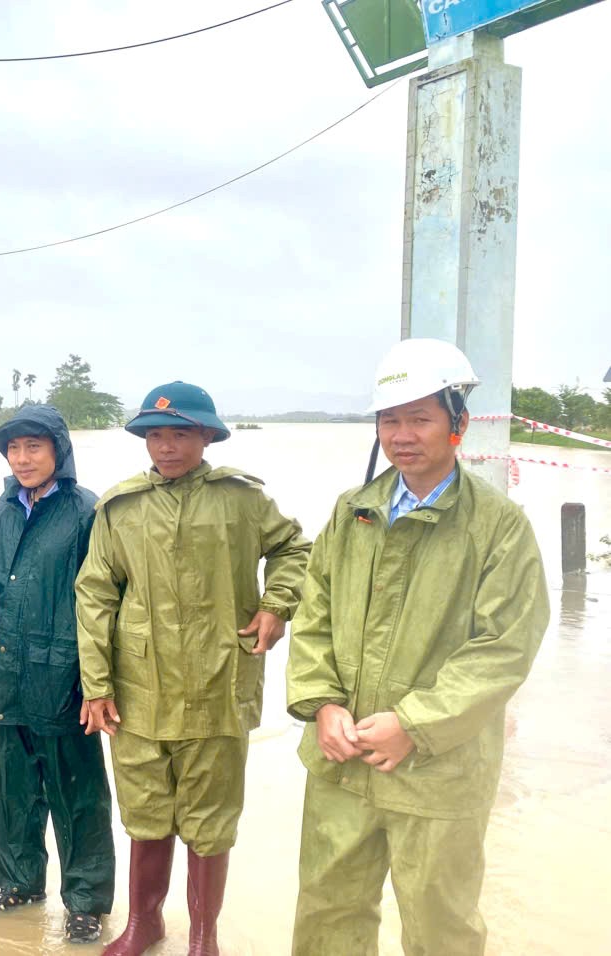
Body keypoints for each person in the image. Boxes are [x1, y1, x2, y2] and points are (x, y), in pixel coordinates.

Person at [285, 338, 550, 956]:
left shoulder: (497, 526)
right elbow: (314, 615)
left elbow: (504, 648)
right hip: (342, 760)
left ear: (457, 423)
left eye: (420, 418)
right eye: (389, 420)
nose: (402, 435)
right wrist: (322, 705)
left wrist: (414, 724)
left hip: (439, 771)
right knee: (327, 916)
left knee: (441, 928)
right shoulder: (353, 512)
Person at [75, 381, 310, 956]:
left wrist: (278, 606)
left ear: (206, 436)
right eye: (156, 435)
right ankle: (144, 924)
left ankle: (203, 937)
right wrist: (97, 685)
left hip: (218, 682)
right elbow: (95, 594)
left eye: (181, 433)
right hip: (139, 689)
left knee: (210, 819)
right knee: (145, 812)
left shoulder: (242, 499)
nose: (167, 447)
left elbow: (294, 550)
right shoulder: (120, 507)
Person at [0, 404, 116, 944]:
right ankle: (19, 884)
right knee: (10, 793)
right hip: (5, 673)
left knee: (77, 797)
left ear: (59, 449)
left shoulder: (87, 512)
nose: (23, 458)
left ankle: (85, 903)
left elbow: (106, 603)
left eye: (34, 447)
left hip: (66, 679)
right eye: (13, 448)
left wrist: (98, 682)